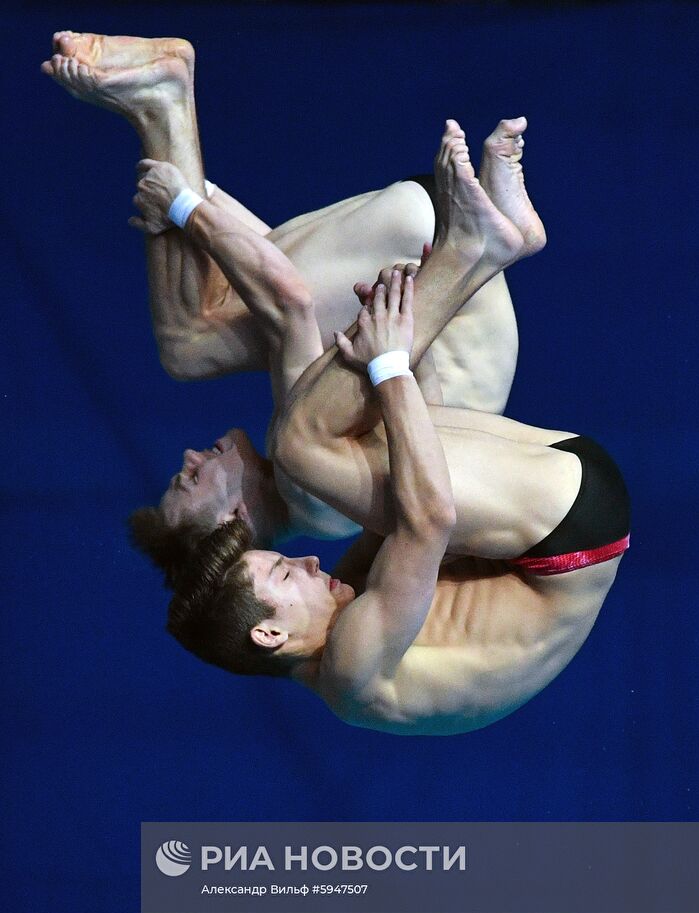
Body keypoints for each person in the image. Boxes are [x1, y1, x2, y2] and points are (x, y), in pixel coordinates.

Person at [162, 127, 630, 735]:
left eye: (286, 562)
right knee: (301, 445)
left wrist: (386, 367)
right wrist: (388, 367)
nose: (307, 560)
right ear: (270, 633)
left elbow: (415, 480)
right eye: (284, 575)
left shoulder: (345, 604)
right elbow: (430, 519)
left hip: (562, 505)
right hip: (562, 538)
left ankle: (485, 246)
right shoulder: (352, 667)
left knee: (315, 433)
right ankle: (475, 248)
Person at [41, 31, 541, 583]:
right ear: (234, 518)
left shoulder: (324, 510)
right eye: (189, 482)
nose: (187, 459)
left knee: (220, 309)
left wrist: (189, 197)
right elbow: (291, 301)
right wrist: (182, 204)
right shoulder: (311, 483)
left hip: (439, 259)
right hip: (441, 254)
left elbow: (269, 280)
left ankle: (163, 112)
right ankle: (163, 103)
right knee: (187, 344)